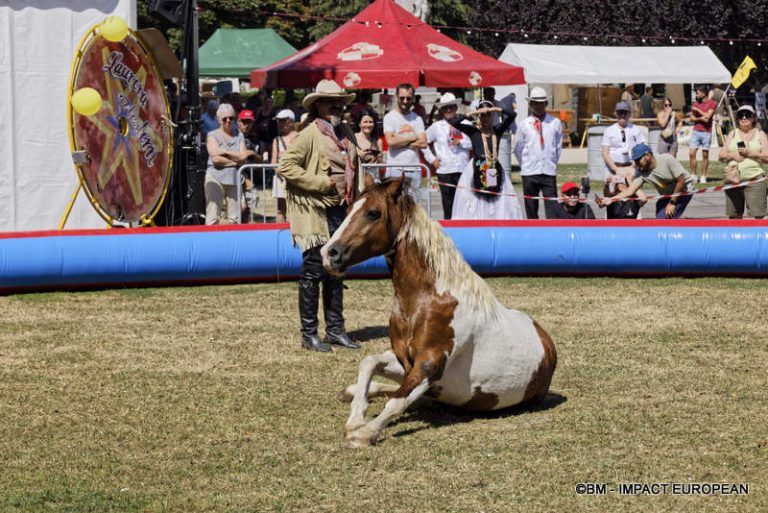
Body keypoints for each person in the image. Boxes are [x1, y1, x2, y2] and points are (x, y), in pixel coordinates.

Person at [278, 79, 364, 353]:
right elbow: (286, 166)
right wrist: (320, 184)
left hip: (342, 211)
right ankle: (309, 333)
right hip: (315, 212)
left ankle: (336, 330)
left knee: (336, 270)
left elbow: (356, 167)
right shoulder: (309, 134)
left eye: (340, 101)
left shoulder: (346, 132)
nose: (338, 105)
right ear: (318, 106)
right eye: (331, 102)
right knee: (314, 270)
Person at [450, 97, 523, 220]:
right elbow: (454, 123)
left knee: (497, 202)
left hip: (494, 168)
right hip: (476, 170)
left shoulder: (497, 130)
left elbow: (512, 115)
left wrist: (496, 108)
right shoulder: (474, 132)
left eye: (488, 114)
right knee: (477, 202)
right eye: (482, 114)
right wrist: (472, 113)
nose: (485, 117)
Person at [604, 143, 695, 219]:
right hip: (668, 194)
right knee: (660, 216)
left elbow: (681, 181)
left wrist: (672, 203)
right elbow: (630, 191)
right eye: (635, 161)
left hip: (683, 191)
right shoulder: (641, 173)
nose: (636, 164)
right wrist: (611, 199)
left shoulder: (667, 159)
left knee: (665, 217)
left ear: (648, 155)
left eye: (638, 160)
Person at [421, 92, 472, 219]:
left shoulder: (466, 124)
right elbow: (423, 143)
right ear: (442, 110)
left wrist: (461, 142)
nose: (448, 110)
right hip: (445, 170)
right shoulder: (436, 127)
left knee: (464, 204)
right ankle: (450, 231)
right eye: (445, 107)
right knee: (448, 205)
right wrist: (432, 159)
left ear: (456, 107)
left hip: (463, 169)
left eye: (451, 107)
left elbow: (473, 143)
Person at [514, 87, 562, 219]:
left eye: (541, 103)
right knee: (531, 207)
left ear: (546, 104)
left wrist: (551, 161)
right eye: (535, 103)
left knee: (552, 208)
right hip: (530, 171)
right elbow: (518, 147)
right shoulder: (524, 124)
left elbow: (558, 146)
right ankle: (532, 232)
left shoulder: (555, 123)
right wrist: (525, 164)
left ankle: (552, 232)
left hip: (548, 170)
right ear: (530, 104)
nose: (539, 106)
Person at [717, 105, 768, 219]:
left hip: (754, 178)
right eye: (741, 115)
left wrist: (752, 154)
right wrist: (732, 155)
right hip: (733, 178)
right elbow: (720, 156)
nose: (744, 118)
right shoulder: (732, 133)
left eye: (747, 115)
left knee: (759, 215)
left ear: (753, 118)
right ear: (737, 119)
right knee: (734, 215)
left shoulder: (760, 134)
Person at [204, 103, 249, 225]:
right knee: (213, 218)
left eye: (231, 118)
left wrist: (223, 152)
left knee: (235, 218)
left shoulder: (239, 135)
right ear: (218, 120)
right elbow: (215, 159)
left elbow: (244, 157)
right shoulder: (212, 135)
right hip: (214, 177)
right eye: (224, 118)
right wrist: (236, 161)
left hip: (234, 178)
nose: (228, 121)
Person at [383, 83, 427, 196]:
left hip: (414, 168)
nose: (405, 101)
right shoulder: (389, 117)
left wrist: (399, 140)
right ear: (397, 97)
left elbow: (423, 143)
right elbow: (391, 142)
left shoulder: (417, 118)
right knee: (394, 206)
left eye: (408, 98)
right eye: (402, 98)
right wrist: (413, 137)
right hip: (395, 168)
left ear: (413, 98)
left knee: (413, 208)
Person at [602, 100, 646, 186]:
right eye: (619, 112)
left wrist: (632, 167)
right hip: (613, 167)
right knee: (611, 193)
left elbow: (642, 150)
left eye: (625, 113)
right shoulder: (608, 130)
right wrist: (616, 169)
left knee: (631, 194)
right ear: (615, 113)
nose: (622, 116)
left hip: (631, 166)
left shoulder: (636, 130)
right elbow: (605, 153)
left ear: (629, 114)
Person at [271, 109, 299, 223]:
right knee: (281, 210)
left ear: (291, 121)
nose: (280, 123)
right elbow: (273, 162)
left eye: (282, 120)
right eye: (278, 121)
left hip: (298, 178)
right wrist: (280, 171)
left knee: (297, 209)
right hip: (280, 178)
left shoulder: (300, 137)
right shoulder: (276, 140)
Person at [688, 84, 717, 184]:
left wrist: (698, 111)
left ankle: (703, 176)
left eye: (698, 92)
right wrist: (700, 118)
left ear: (704, 93)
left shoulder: (712, 103)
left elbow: (708, 117)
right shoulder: (696, 103)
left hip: (706, 132)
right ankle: (693, 175)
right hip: (696, 131)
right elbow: (691, 118)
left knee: (705, 155)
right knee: (691, 153)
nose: (696, 94)